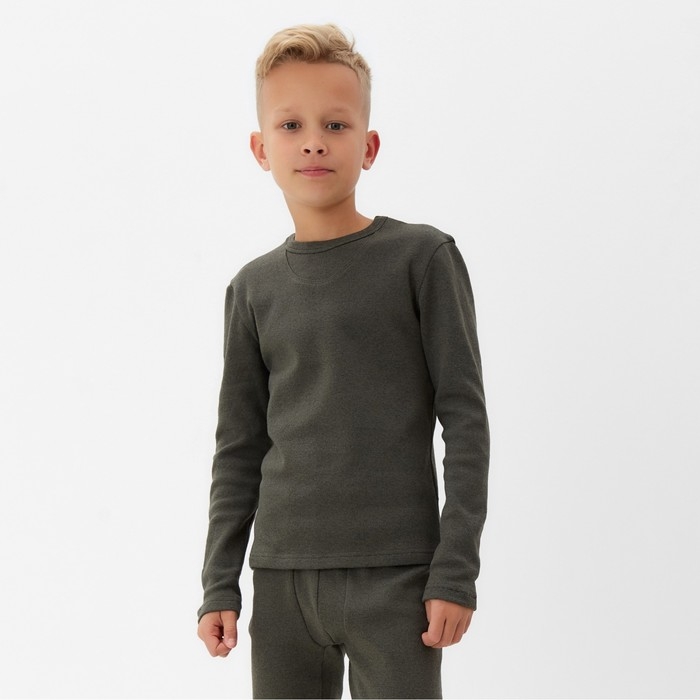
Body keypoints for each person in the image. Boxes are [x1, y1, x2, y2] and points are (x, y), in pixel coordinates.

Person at [197, 23, 490, 699]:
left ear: (369, 145)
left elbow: (465, 421)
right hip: (280, 580)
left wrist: (455, 571)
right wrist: (220, 582)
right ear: (261, 149)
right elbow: (238, 446)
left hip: (398, 576)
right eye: (290, 125)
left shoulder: (423, 259)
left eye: (335, 124)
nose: (313, 141)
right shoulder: (252, 289)